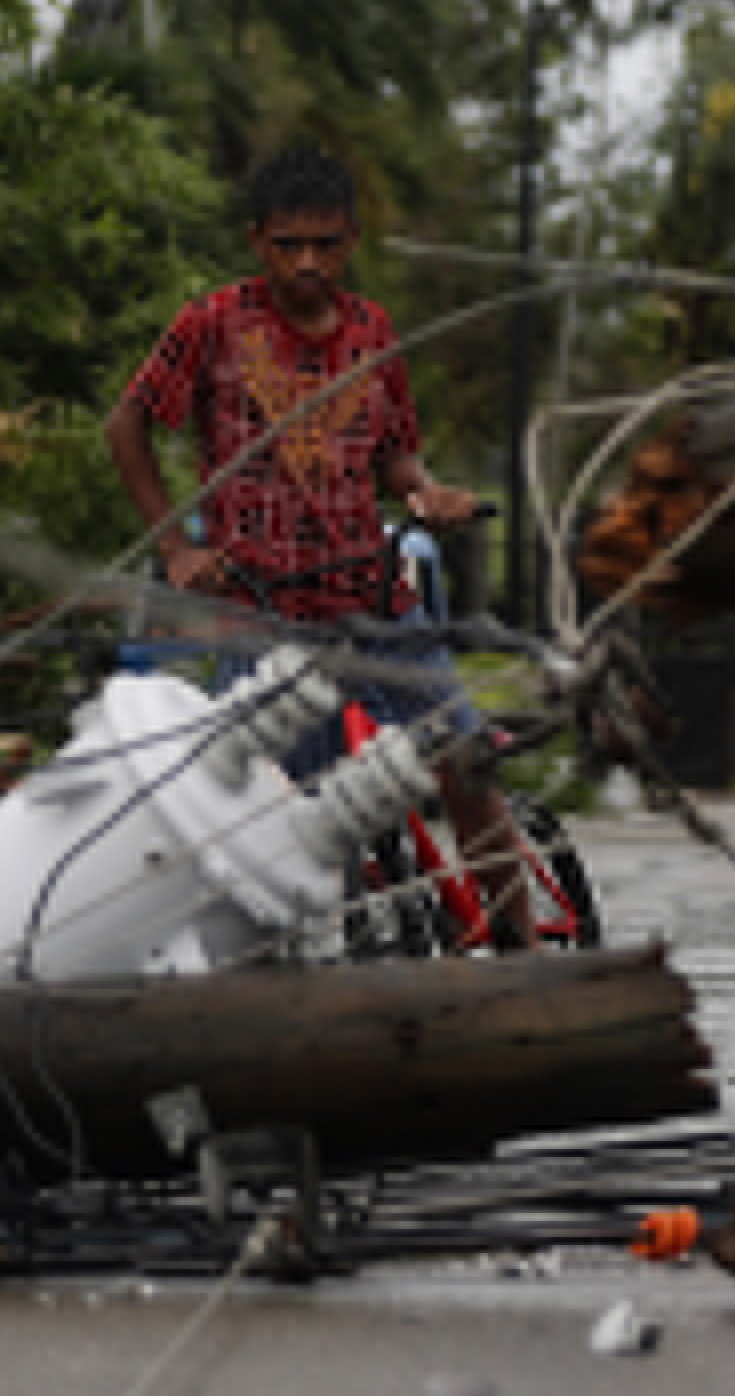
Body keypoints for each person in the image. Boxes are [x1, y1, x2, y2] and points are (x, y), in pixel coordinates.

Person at [104, 147, 532, 947]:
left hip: (373, 600)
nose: (308, 262)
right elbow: (127, 424)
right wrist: (175, 548)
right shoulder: (212, 323)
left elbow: (395, 450)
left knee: (467, 757)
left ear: (351, 241)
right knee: (290, 812)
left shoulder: (373, 329)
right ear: (257, 240)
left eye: (326, 244)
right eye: (288, 244)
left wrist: (423, 491)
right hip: (260, 613)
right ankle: (319, 980)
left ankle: (525, 945)